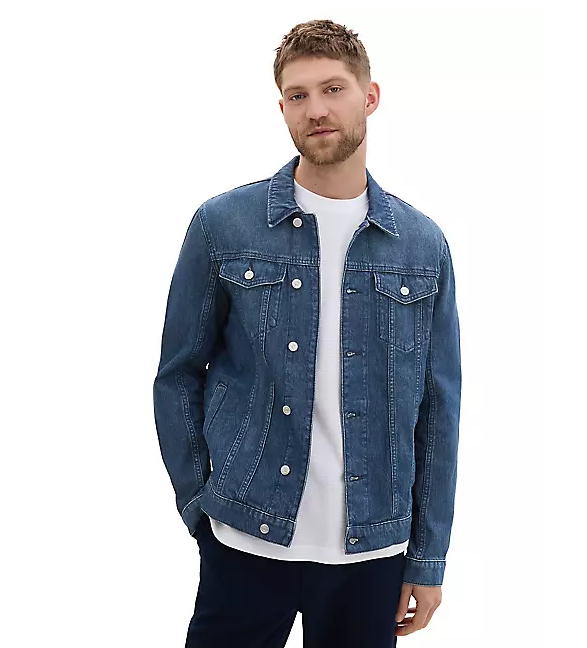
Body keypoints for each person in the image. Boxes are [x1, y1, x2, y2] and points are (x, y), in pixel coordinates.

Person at [153, 18, 462, 648]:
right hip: (245, 538)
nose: (315, 109)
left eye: (333, 89)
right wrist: (200, 505)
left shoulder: (422, 246)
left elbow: (439, 412)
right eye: (297, 95)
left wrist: (428, 557)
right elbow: (178, 375)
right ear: (282, 108)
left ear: (369, 96)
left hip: (373, 551)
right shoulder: (222, 226)